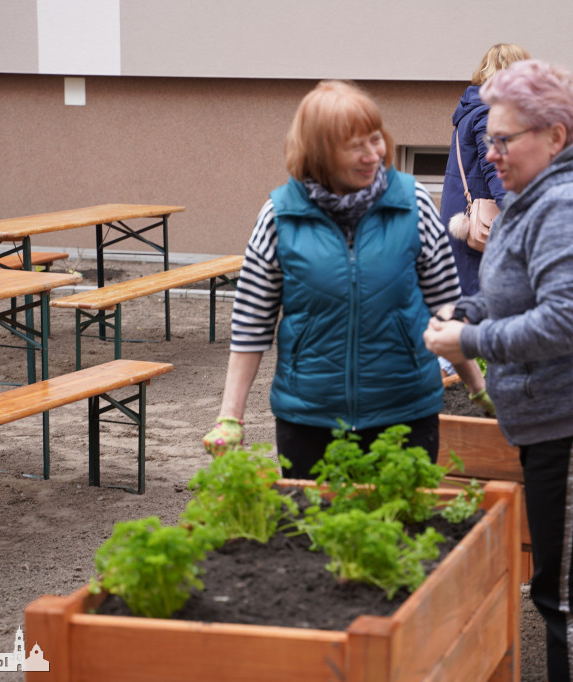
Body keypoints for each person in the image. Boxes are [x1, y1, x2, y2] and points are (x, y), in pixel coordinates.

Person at [423, 60, 573, 681]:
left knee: (563, 598)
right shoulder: (534, 198)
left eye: (504, 140)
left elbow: (564, 324)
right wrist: (466, 310)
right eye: (487, 139)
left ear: (556, 136)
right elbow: (516, 292)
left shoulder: (569, 206)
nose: (490, 152)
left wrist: (469, 338)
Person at [203, 80, 490, 479]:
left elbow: (446, 306)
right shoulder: (279, 216)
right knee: (314, 537)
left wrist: (477, 387)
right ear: (319, 153)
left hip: (405, 414)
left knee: (403, 536)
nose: (374, 154)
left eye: (376, 139)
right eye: (356, 146)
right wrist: (229, 417)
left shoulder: (413, 203)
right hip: (309, 419)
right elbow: (251, 324)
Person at [439, 43, 530, 297]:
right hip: (481, 232)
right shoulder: (490, 114)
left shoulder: (470, 111)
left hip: (465, 224)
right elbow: (498, 173)